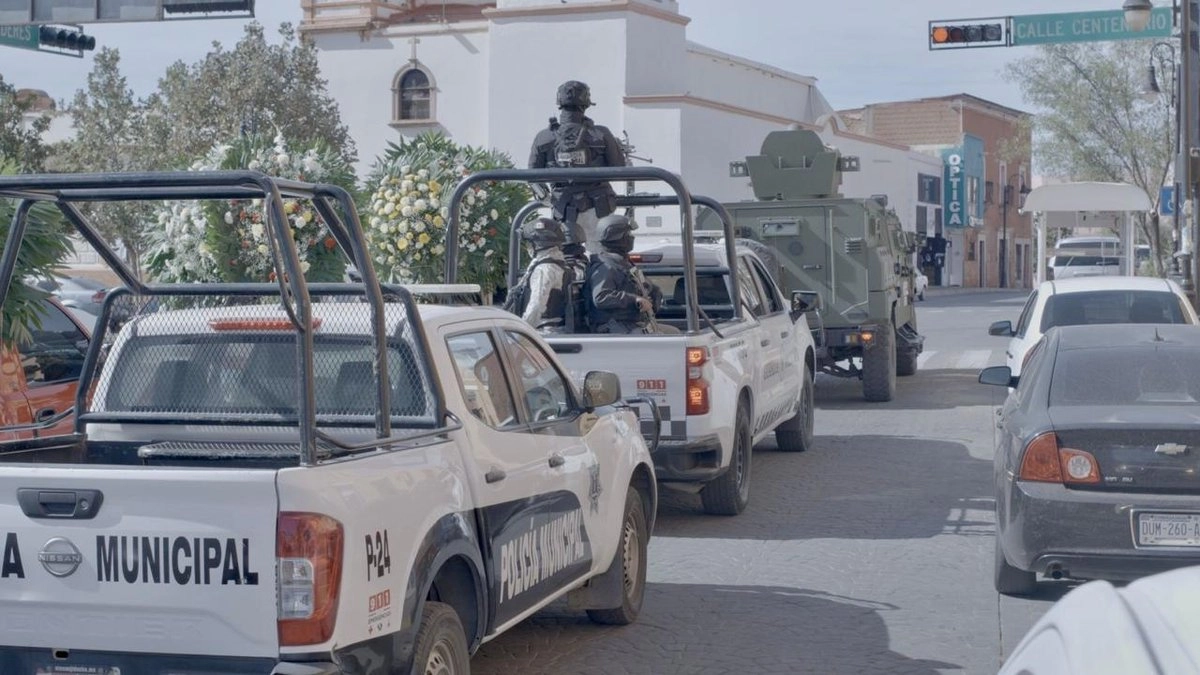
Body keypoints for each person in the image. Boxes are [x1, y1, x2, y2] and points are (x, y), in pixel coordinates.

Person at [529, 80, 626, 254]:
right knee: (603, 259)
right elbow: (620, 168)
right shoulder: (601, 134)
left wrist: (547, 199)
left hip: (563, 209)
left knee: (565, 261)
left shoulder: (544, 137)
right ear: (586, 103)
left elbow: (532, 176)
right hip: (599, 207)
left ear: (559, 102)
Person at [585, 214, 673, 334]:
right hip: (613, 327)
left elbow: (641, 284)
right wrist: (634, 299)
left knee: (673, 332)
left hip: (629, 323)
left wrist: (652, 292)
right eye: (628, 235)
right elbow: (601, 297)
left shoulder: (622, 263)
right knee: (661, 338)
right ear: (616, 237)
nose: (631, 238)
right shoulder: (606, 266)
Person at [504, 218, 571, 333]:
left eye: (529, 243)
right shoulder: (559, 264)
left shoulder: (543, 269)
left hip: (542, 332)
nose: (528, 247)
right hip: (556, 330)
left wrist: (521, 331)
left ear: (538, 244)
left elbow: (536, 307)